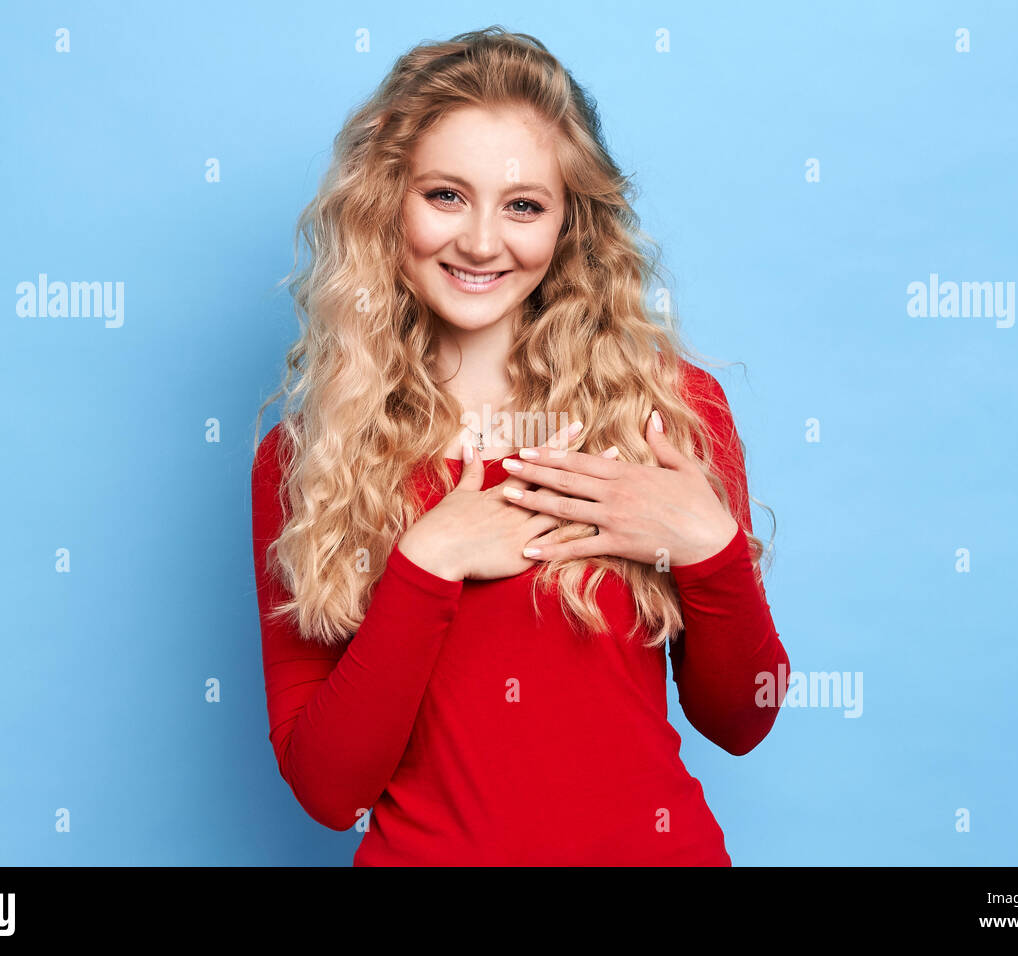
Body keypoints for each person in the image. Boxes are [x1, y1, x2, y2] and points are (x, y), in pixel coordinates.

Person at [250, 25, 789, 865]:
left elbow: (742, 720)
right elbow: (329, 789)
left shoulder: (666, 409)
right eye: (445, 195)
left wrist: (708, 546)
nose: (480, 243)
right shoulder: (310, 457)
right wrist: (427, 564)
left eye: (523, 205)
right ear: (386, 200)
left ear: (570, 222)